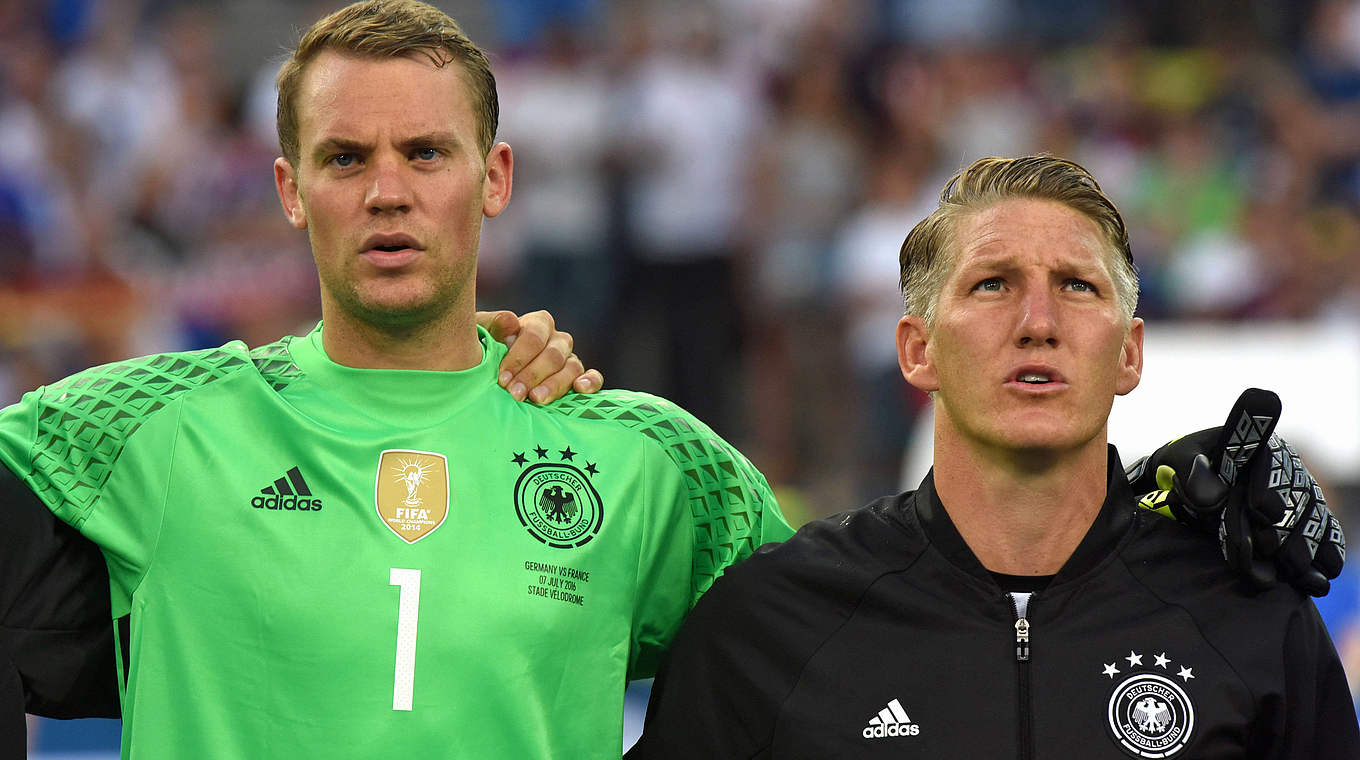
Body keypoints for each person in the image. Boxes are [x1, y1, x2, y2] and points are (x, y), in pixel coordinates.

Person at [0, 2, 792, 757]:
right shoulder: (152, 425)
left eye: (426, 154)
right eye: (345, 159)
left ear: (495, 178)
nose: (387, 194)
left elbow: (828, 662)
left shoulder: (642, 460)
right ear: (290, 191)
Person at [627, 155, 1359, 758]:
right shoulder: (772, 621)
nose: (1038, 322)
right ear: (918, 351)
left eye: (1077, 286)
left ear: (1129, 354)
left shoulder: (1250, 618)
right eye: (992, 284)